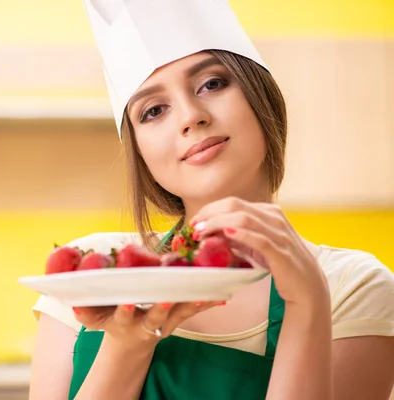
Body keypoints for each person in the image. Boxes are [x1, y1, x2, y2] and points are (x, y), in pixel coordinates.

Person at [28, 1, 394, 399]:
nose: (190, 116)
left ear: (259, 95)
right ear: (140, 153)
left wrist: (308, 301)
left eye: (212, 84)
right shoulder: (93, 275)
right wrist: (128, 343)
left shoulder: (353, 287)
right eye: (153, 110)